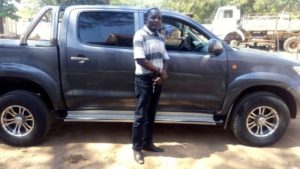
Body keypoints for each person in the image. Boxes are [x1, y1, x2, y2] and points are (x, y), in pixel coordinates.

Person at [132, 7, 169, 164]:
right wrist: (160, 72)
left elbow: (166, 58)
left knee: (152, 113)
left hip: (157, 79)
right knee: (141, 115)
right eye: (153, 17)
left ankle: (148, 143)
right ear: (146, 19)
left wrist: (162, 74)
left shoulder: (160, 37)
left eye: (159, 18)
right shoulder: (140, 35)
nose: (156, 20)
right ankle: (137, 148)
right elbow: (140, 59)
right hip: (144, 80)